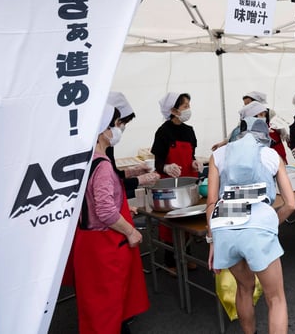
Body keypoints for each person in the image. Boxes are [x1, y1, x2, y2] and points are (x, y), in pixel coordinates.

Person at [206, 117, 295, 334]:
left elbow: (211, 203)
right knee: (275, 298)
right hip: (258, 223)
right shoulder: (271, 155)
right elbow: (290, 204)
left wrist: (212, 240)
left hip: (225, 223)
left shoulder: (218, 155)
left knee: (244, 288)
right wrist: (269, 222)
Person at [72, 104, 149, 334]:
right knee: (108, 311)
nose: (119, 130)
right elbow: (105, 211)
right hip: (104, 245)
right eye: (116, 125)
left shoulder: (84, 160)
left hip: (86, 244)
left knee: (96, 310)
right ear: (102, 129)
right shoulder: (102, 165)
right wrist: (130, 231)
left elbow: (90, 202)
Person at [151, 92, 204, 270]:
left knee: (189, 221)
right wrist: (165, 167)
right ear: (173, 110)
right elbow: (158, 162)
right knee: (171, 224)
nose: (188, 110)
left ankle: (187, 256)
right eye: (185, 107)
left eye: (189, 105)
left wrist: (195, 163)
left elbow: (191, 155)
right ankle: (170, 262)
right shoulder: (163, 132)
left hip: (188, 182)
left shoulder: (189, 131)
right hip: (171, 185)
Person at [106, 92, 159, 199]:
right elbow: (110, 185)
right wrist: (140, 180)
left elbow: (114, 174)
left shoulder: (109, 144)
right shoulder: (96, 152)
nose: (121, 127)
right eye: (120, 123)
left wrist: (133, 171)